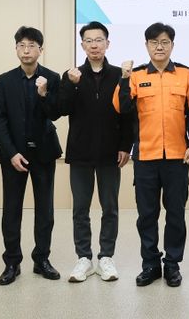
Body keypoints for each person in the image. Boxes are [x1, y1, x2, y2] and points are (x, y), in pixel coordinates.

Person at [115, 22, 189, 288]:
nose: (159, 47)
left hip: (177, 157)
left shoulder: (185, 74)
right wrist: (123, 78)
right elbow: (121, 107)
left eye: (164, 42)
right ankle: (150, 264)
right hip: (146, 157)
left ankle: (172, 264)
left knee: (175, 213)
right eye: (154, 42)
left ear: (172, 45)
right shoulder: (136, 75)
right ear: (147, 46)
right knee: (147, 215)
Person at [60, 21, 133, 283]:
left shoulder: (119, 75)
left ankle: (106, 257)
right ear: (82, 45)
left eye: (99, 40)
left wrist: (125, 146)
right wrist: (71, 85)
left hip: (110, 153)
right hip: (80, 152)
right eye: (89, 41)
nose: (94, 45)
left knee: (110, 207)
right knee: (80, 209)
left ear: (107, 43)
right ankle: (84, 258)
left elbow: (128, 114)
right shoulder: (72, 75)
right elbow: (62, 109)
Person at [0, 26, 62, 285]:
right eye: (21, 45)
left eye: (32, 45)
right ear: (16, 49)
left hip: (43, 152)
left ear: (40, 50)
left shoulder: (52, 78)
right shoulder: (4, 80)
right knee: (11, 209)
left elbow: (56, 113)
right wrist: (11, 153)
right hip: (13, 155)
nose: (26, 50)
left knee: (45, 209)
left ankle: (41, 259)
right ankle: (12, 262)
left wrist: (43, 95)